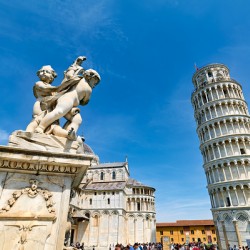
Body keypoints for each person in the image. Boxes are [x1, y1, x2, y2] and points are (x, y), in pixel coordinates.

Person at [26, 65, 57, 132]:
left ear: (51, 77)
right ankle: (28, 132)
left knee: (51, 124)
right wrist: (61, 87)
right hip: (40, 105)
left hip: (50, 109)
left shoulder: (53, 88)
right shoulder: (39, 83)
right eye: (42, 71)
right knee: (37, 120)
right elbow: (45, 88)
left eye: (47, 72)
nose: (44, 73)